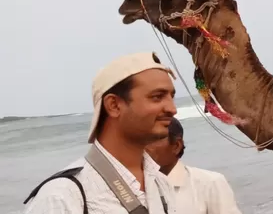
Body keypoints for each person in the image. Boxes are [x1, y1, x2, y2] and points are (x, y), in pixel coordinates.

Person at [23, 52, 180, 213]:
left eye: (171, 97)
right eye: (157, 97)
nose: (172, 109)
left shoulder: (160, 184)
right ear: (114, 105)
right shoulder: (63, 196)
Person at [145, 118, 243, 214]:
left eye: (151, 140)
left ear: (176, 146)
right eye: (139, 141)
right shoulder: (137, 189)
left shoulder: (209, 184)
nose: (143, 147)